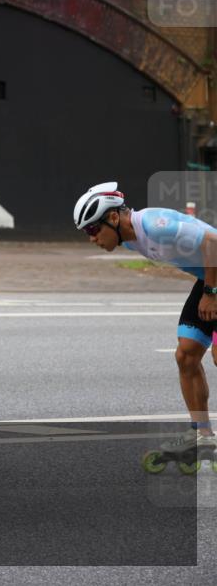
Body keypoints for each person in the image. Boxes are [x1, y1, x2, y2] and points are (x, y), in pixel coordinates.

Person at [74, 182, 217, 463]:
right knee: (186, 355)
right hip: (210, 279)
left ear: (113, 218)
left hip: (214, 282)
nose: (91, 238)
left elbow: (213, 243)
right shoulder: (128, 239)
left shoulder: (155, 225)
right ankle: (203, 436)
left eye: (92, 229)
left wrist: (211, 294)